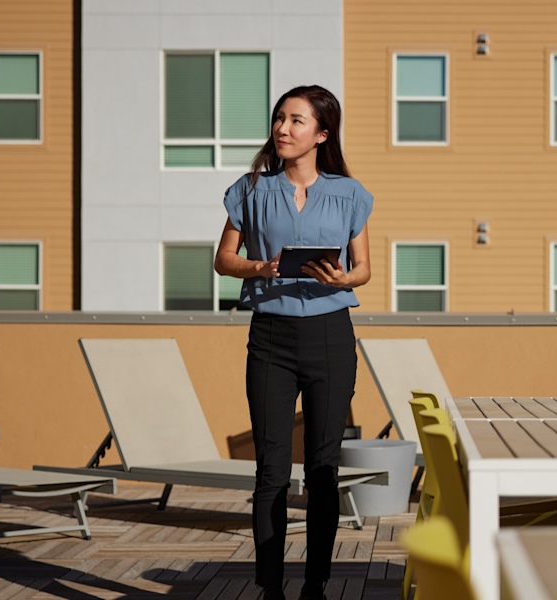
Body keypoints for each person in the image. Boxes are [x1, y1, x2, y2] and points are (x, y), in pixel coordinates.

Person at [214, 85, 374, 600]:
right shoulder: (251, 189)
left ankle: (316, 586)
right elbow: (223, 260)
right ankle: (270, 588)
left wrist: (342, 280)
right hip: (271, 338)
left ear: (322, 134)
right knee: (271, 471)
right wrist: (262, 267)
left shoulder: (349, 193)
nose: (283, 129)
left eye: (297, 121)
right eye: (280, 119)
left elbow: (365, 268)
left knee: (324, 469)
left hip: (330, 337)